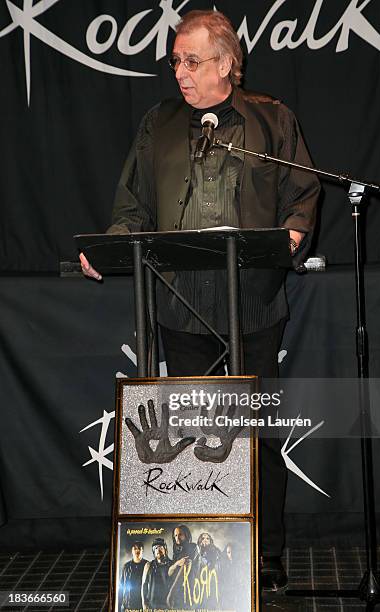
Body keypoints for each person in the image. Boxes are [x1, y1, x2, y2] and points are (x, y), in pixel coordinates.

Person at [81, 9, 320, 591]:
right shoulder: (157, 123)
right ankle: (207, 559)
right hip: (179, 304)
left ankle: (265, 555)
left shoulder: (272, 120)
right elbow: (131, 206)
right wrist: (110, 246)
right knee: (191, 439)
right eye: (175, 62)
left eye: (192, 61)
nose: (180, 74)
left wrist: (292, 230)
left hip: (254, 304)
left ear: (227, 64)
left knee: (256, 435)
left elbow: (303, 191)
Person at [141, 537, 172, 610]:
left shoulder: (172, 565)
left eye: (160, 547)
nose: (158, 549)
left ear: (165, 549)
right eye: (155, 548)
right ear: (153, 551)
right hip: (152, 605)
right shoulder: (148, 565)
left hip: (168, 606)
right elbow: (144, 585)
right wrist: (144, 603)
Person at [119, 541, 147, 612]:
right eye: (135, 548)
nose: (137, 550)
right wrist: (120, 604)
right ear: (132, 551)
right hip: (128, 605)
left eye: (139, 549)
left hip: (142, 604)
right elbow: (121, 586)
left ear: (142, 551)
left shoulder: (147, 565)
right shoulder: (126, 566)